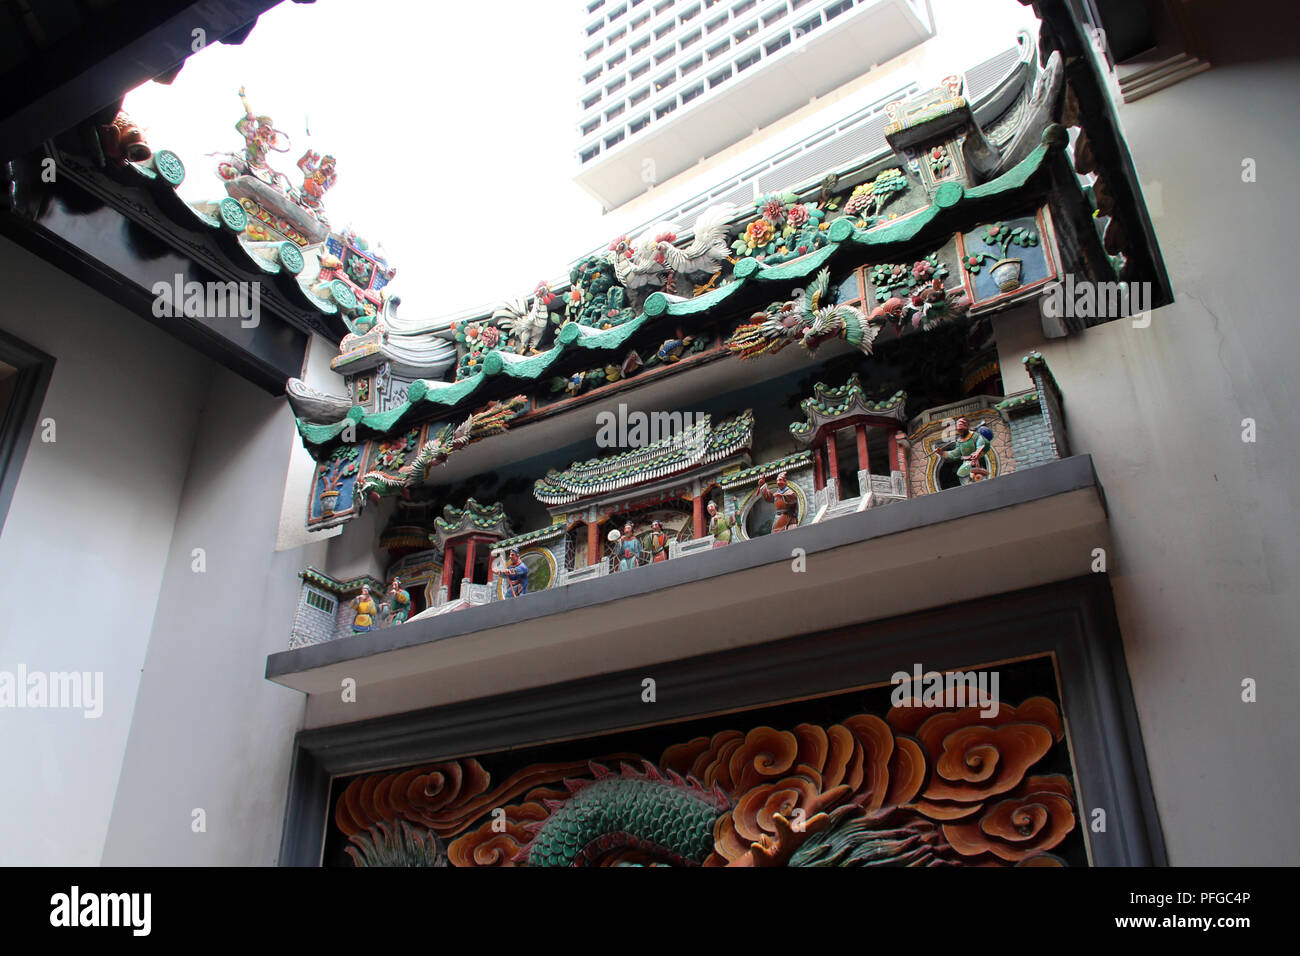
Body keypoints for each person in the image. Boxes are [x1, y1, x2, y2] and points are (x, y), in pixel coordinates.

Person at [942, 417, 991, 484]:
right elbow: (956, 453)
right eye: (958, 428)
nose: (959, 430)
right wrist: (942, 453)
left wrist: (977, 452)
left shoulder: (974, 436)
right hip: (967, 464)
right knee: (962, 474)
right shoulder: (959, 441)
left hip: (975, 462)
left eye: (962, 426)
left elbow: (981, 443)